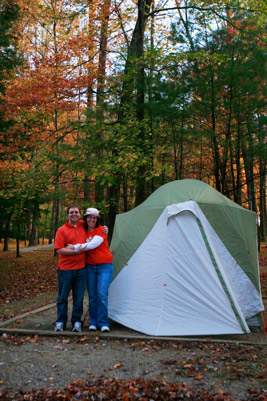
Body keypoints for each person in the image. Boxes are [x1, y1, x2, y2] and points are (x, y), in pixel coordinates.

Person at [54, 205, 108, 333]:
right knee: (63, 297)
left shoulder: (83, 225)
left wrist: (106, 229)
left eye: (76, 212)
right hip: (65, 269)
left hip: (82, 269)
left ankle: (77, 322)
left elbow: (95, 224)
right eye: (71, 212)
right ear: (67, 215)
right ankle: (60, 322)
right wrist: (75, 252)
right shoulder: (61, 230)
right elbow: (59, 250)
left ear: (79, 214)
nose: (74, 214)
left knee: (79, 297)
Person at [67, 207, 113, 332]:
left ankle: (103, 322)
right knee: (92, 296)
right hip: (90, 267)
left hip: (105, 266)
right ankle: (93, 321)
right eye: (89, 217)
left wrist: (75, 247)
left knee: (101, 295)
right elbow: (73, 222)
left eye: (94, 217)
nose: (92, 220)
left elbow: (93, 245)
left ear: (97, 219)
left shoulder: (101, 230)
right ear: (86, 218)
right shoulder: (83, 228)